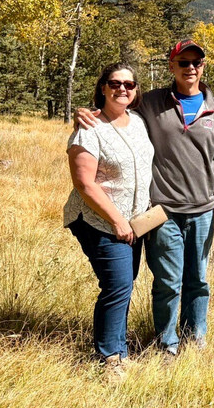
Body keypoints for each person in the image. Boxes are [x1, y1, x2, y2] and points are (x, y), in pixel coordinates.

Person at [77, 40, 214, 356]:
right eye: (183, 62)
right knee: (166, 283)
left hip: (204, 210)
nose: (190, 68)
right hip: (161, 212)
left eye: (196, 62)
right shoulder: (150, 103)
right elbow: (115, 108)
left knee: (198, 282)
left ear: (203, 67)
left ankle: (195, 339)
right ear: (171, 66)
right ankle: (167, 344)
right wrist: (85, 114)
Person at [65, 64, 154, 375]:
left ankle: (120, 349)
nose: (122, 89)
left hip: (134, 222)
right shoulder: (88, 128)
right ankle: (108, 359)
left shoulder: (139, 122)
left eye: (129, 84)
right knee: (117, 285)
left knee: (125, 285)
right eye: (115, 83)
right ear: (102, 87)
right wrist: (117, 220)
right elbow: (84, 183)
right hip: (99, 220)